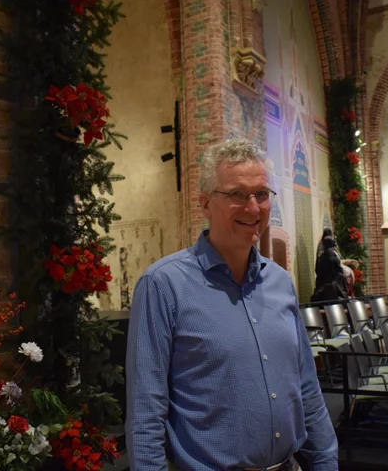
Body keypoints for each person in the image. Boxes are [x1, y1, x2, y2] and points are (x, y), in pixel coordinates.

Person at [126, 139, 338, 471]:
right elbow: (146, 410)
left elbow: (306, 388)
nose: (254, 209)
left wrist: (326, 461)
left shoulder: (281, 282)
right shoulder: (163, 285)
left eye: (262, 195)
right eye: (237, 194)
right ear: (205, 204)